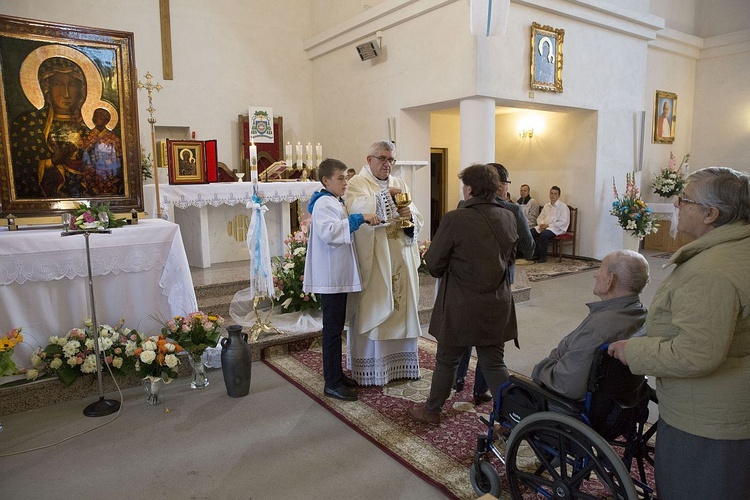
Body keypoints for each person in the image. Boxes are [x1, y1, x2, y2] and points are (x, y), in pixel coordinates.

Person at [608, 167, 750, 499]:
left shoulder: (710, 271)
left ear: (710, 214)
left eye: (684, 199)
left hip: (709, 418)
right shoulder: (736, 250)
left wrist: (633, 352)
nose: (676, 204)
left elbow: (697, 353)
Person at [409, 164, 518, 425]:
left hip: (461, 304)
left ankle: (432, 411)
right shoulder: (508, 216)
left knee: (447, 360)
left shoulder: (455, 218)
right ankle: (510, 420)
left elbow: (434, 265)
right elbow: (512, 257)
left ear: (468, 189)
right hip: (497, 302)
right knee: (493, 363)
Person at [454, 163, 535, 405]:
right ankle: (480, 390)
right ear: (500, 185)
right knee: (488, 339)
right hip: (498, 284)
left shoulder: (462, 206)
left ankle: (458, 379)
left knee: (466, 332)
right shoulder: (512, 210)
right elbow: (529, 249)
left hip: (466, 282)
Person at [345, 140, 424, 385]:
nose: (387, 164)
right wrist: (384, 198)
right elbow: (355, 210)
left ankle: (402, 366)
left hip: (400, 254)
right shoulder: (357, 183)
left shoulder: (399, 183)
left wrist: (410, 218)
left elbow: (416, 216)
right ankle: (374, 368)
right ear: (369, 160)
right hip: (377, 257)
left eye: (391, 160)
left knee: (403, 307)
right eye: (382, 159)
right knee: (377, 304)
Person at [303, 159, 380, 401]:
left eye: (346, 178)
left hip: (337, 275)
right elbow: (330, 232)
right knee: (332, 331)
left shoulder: (333, 200)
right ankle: (332, 383)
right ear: (326, 180)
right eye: (340, 178)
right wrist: (359, 218)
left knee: (336, 328)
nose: (345, 183)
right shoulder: (325, 203)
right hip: (331, 277)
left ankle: (336, 376)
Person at [531, 250, 649, 400]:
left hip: (567, 407)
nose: (595, 274)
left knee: (511, 392)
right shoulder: (642, 313)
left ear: (610, 280)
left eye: (601, 269)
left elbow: (565, 385)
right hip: (618, 405)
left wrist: (541, 369)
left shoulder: (598, 329)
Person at [11, 57, 91, 198]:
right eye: (58, 84)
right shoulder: (28, 123)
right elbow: (20, 168)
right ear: (46, 87)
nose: (66, 94)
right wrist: (50, 162)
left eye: (72, 85)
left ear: (81, 90)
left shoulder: (88, 128)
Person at [82, 107, 123, 195]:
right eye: (95, 117)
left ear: (106, 121)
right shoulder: (89, 135)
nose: (97, 119)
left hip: (108, 167)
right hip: (93, 167)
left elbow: (117, 153)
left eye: (100, 117)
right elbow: (84, 150)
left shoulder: (112, 137)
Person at [529, 186, 569, 263]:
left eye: (555, 194)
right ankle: (534, 254)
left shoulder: (563, 207)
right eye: (551, 193)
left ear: (558, 195)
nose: (552, 195)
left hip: (556, 228)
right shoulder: (546, 206)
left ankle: (543, 256)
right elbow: (540, 218)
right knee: (530, 233)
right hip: (544, 227)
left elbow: (563, 222)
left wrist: (548, 226)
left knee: (544, 235)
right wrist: (541, 224)